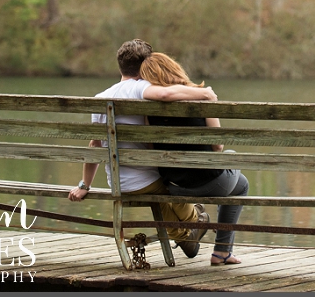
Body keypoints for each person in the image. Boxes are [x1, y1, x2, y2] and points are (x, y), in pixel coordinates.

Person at [68, 39, 214, 258]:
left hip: (119, 184)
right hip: (151, 182)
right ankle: (195, 220)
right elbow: (166, 95)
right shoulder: (140, 88)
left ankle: (187, 236)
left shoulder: (100, 98)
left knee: (162, 193)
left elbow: (94, 146)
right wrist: (205, 94)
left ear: (120, 65)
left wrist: (84, 185)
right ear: (146, 65)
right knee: (172, 185)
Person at [140, 52, 249, 266]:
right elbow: (218, 146)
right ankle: (221, 251)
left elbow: (151, 148)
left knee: (242, 184)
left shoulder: (146, 108)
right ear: (174, 68)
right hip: (212, 183)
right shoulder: (201, 96)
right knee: (232, 157)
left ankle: (222, 254)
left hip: (175, 186)